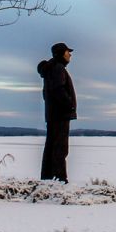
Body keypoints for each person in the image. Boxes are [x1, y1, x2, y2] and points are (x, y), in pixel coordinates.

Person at [37, 42, 76, 182]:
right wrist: (69, 105)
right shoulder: (58, 68)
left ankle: (48, 177)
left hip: (53, 114)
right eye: (67, 52)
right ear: (61, 53)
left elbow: (45, 93)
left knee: (51, 146)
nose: (70, 54)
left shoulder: (51, 69)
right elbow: (58, 90)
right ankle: (59, 178)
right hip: (60, 114)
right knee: (60, 147)